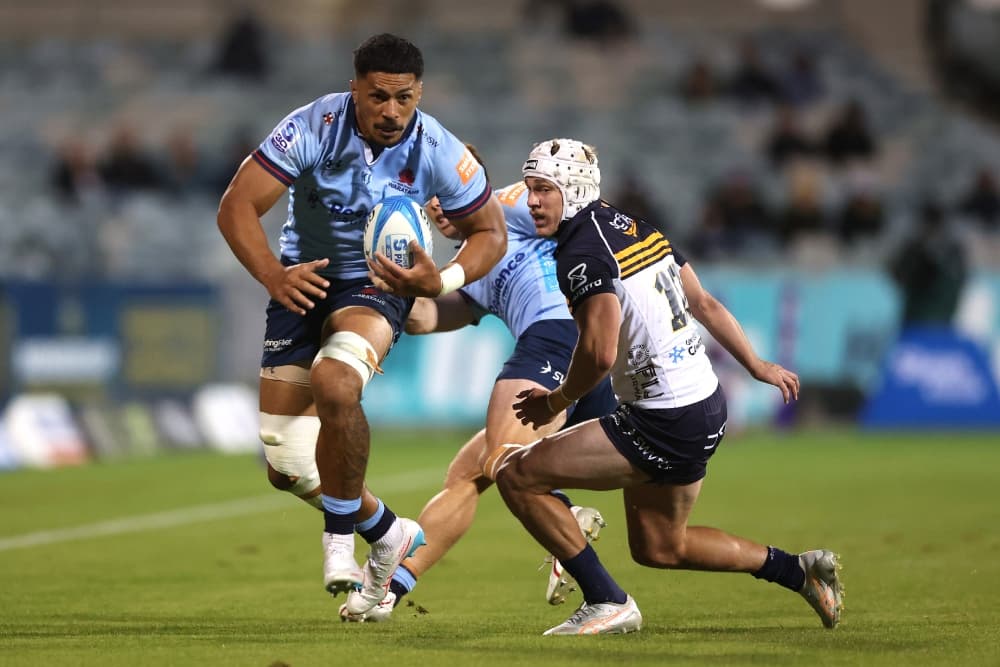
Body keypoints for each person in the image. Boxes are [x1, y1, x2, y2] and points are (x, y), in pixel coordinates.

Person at [489, 138, 843, 635]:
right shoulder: (632, 225)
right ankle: (798, 570)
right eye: (530, 189)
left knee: (517, 475)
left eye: (543, 189)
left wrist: (556, 399)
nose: (532, 201)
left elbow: (599, 352)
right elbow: (705, 304)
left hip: (662, 417)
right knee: (660, 546)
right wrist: (756, 365)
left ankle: (606, 601)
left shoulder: (581, 251)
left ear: (572, 188)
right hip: (704, 404)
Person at [216, 33, 507, 619]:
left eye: (403, 98)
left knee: (336, 384)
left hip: (378, 284)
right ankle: (389, 532)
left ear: (419, 93)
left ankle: (339, 545)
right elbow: (236, 206)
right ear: (356, 89)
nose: (391, 111)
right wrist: (274, 275)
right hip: (304, 279)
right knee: (286, 460)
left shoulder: (440, 150)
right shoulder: (311, 126)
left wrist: (440, 281)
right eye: (378, 97)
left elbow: (491, 232)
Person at [342, 166, 619, 622]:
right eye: (432, 199)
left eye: (448, 194)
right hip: (574, 364)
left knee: (501, 461)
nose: (437, 206)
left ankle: (575, 532)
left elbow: (580, 214)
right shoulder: (466, 268)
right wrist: (392, 293)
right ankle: (391, 590)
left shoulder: (509, 205)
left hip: (558, 336)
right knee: (470, 473)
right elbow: (428, 318)